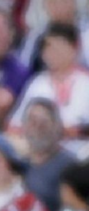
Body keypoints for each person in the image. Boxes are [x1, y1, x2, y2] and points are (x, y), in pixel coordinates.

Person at [8, 24, 89, 154]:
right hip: (40, 150)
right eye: (48, 48)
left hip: (80, 151)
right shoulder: (37, 82)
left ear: (74, 48)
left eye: (58, 47)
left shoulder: (85, 82)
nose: (52, 53)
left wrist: (65, 131)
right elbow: (14, 125)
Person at [22, 98, 77, 211]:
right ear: (24, 126)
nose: (38, 126)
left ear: (57, 127)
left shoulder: (70, 166)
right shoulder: (17, 162)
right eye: (33, 121)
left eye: (44, 121)